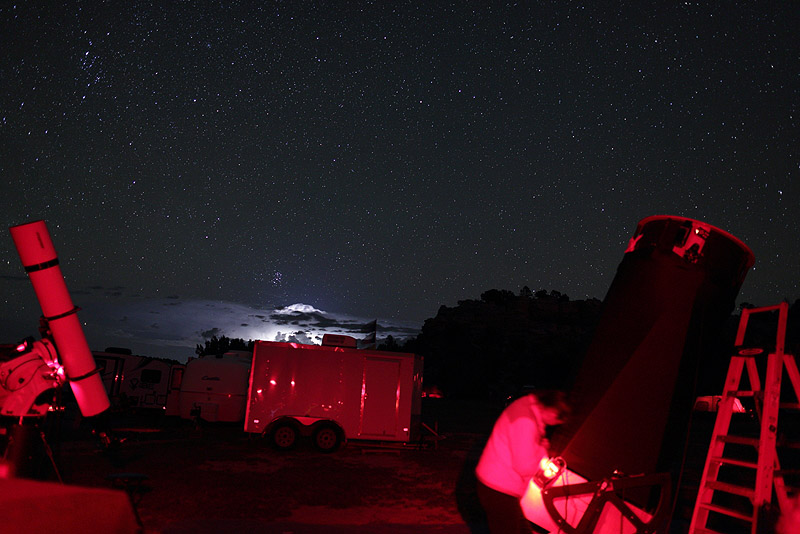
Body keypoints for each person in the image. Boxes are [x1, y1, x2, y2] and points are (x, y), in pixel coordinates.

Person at [475, 390, 570, 534]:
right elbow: (524, 467)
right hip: (499, 489)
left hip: (496, 485)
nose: (556, 424)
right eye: (558, 420)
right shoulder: (526, 421)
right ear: (552, 411)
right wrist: (542, 449)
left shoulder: (526, 406)